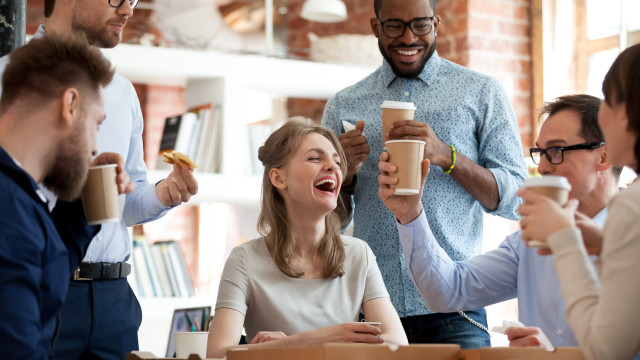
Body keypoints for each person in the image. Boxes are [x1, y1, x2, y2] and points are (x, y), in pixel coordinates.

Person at [321, 0, 527, 347]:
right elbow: (327, 223)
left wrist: (447, 155)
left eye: (420, 25)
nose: (408, 37)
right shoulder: (344, 105)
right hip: (372, 310)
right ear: (375, 27)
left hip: (458, 311)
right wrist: (346, 177)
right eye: (394, 26)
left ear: (437, 23)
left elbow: (516, 200)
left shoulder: (481, 93)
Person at [0, 1, 199, 359]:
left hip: (114, 296)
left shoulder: (122, 92)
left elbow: (123, 205)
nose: (128, 10)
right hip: (41, 283)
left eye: (134, 0)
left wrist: (161, 195)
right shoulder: (5, 79)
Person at [377, 94, 618, 350]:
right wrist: (410, 212)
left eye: (556, 151)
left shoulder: (630, 240)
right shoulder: (528, 243)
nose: (543, 167)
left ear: (604, 156)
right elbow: (448, 290)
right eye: (541, 153)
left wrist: (556, 356)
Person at [206, 119, 407, 358]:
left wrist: (291, 345)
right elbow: (217, 355)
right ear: (279, 179)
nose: (332, 166)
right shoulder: (244, 260)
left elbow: (397, 347)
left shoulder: (358, 254)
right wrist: (314, 340)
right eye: (315, 158)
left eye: (336, 159)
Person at [518, 44, 640, 360]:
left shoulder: (630, 206)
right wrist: (605, 245)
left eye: (610, 102)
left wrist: (565, 240)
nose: (603, 114)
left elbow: (607, 349)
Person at [0, 34, 116, 360]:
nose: (95, 146)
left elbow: (47, 274)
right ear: (70, 105)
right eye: (96, 123)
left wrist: (87, 192)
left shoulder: (21, 200)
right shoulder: (10, 210)